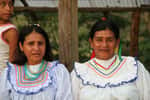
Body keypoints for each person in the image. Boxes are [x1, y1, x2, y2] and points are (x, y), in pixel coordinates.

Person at [71, 17, 150, 100]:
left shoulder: (133, 67)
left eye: (109, 40)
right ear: (91, 43)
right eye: (99, 40)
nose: (104, 45)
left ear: (117, 42)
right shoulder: (80, 72)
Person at [0, 24, 73, 100]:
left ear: (46, 46)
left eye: (40, 43)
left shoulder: (58, 72)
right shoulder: (9, 74)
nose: (36, 48)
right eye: (31, 43)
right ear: (21, 46)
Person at [0, 0, 18, 73]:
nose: (8, 8)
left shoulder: (10, 31)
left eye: (10, 5)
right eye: (3, 4)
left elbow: (12, 61)